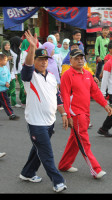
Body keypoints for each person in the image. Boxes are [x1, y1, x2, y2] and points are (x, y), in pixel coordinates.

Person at [19, 30, 67, 193]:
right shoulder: (30, 76)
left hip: (49, 121)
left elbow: (57, 97)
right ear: (35, 60)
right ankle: (58, 181)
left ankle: (27, 173)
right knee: (46, 153)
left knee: (38, 149)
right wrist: (32, 48)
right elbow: (27, 66)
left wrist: (63, 113)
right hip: (36, 123)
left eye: (46, 59)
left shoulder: (52, 76)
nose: (44, 62)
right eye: (40, 59)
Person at [58, 48, 112, 179]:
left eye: (81, 58)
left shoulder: (88, 74)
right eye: (76, 58)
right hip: (76, 114)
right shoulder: (67, 75)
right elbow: (64, 96)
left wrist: (105, 104)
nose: (80, 60)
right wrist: (68, 115)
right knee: (84, 141)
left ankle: (64, 165)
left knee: (75, 140)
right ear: (70, 60)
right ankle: (96, 169)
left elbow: (95, 92)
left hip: (86, 113)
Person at [0, 54, 20, 120]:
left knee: (4, 101)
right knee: (6, 101)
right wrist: (4, 84)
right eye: (5, 60)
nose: (6, 61)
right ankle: (11, 114)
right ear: (0, 61)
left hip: (5, 88)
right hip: (1, 89)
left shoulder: (5, 67)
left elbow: (9, 75)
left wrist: (8, 82)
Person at [9, 36, 24, 108]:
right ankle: (13, 102)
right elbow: (12, 64)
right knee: (12, 87)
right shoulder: (10, 51)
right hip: (11, 71)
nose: (21, 44)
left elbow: (19, 63)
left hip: (19, 71)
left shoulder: (19, 50)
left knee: (20, 86)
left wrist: (20, 72)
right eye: (20, 43)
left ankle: (19, 101)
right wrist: (14, 73)